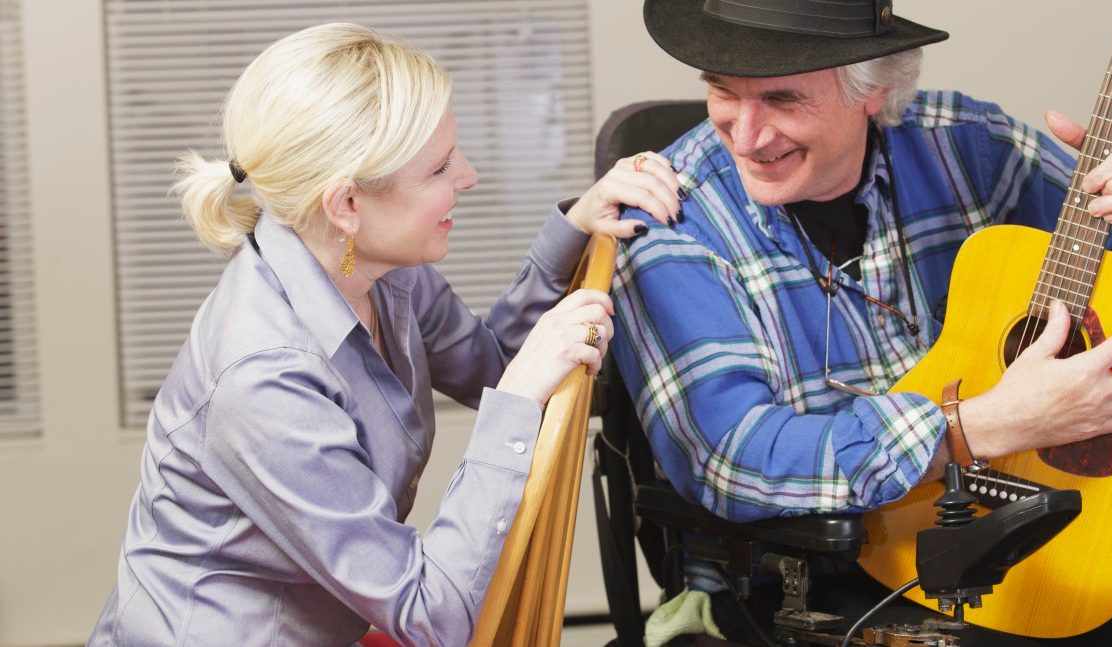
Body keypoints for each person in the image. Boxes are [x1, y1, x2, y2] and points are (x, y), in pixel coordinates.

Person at [609, 1, 1112, 645]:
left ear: (871, 88)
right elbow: (727, 456)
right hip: (811, 579)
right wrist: (986, 424)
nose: (745, 135)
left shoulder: (969, 149)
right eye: (724, 91)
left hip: (1030, 547)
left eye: (783, 100)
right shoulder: (672, 216)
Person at [88, 23, 683, 647]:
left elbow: (498, 365)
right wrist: (516, 404)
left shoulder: (374, 268)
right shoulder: (262, 376)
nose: (470, 176)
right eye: (441, 167)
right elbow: (431, 613)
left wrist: (575, 226)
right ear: (346, 204)